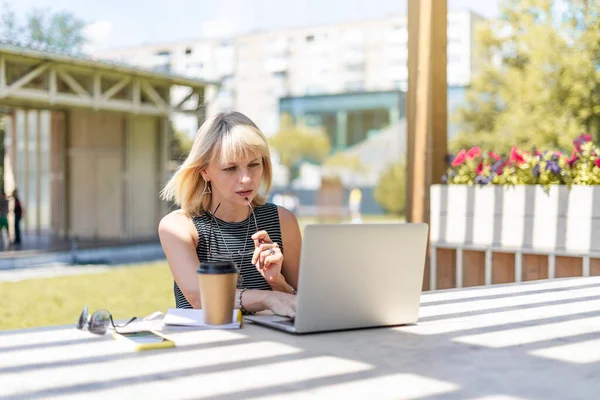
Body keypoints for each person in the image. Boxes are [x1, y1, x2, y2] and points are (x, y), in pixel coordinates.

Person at [159, 111, 300, 318]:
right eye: (231, 168)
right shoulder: (179, 226)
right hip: (205, 346)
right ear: (205, 171)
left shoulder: (283, 221)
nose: (246, 179)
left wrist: (276, 282)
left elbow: (303, 302)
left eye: (254, 164)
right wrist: (265, 297)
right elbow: (199, 298)